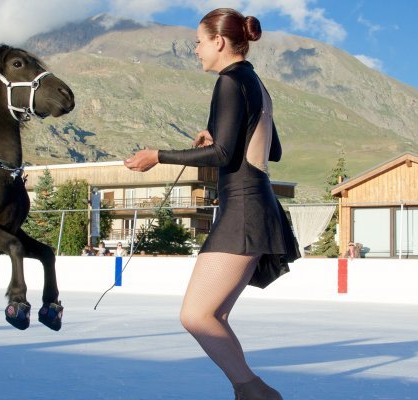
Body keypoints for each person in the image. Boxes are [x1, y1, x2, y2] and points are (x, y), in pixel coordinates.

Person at [124, 8, 299, 400]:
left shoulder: (228, 81)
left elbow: (222, 155)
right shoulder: (254, 82)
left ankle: (255, 392)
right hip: (255, 206)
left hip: (244, 210)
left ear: (218, 42)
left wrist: (158, 155)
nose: (197, 50)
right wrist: (221, 133)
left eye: (199, 42)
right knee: (212, 315)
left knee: (196, 315)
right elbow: (274, 148)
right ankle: (249, 392)